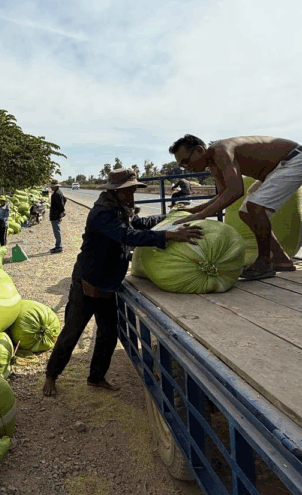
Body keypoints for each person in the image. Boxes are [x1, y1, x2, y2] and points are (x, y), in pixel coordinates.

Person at [42, 169, 203, 397]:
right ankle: (51, 375)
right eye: (127, 191)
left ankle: (96, 377)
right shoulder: (102, 213)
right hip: (88, 282)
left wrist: (169, 218)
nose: (131, 195)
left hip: (109, 283)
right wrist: (169, 235)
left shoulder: (121, 208)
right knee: (72, 332)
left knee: (108, 334)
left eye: (133, 191)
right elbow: (128, 235)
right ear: (115, 191)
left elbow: (140, 223)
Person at [169, 135, 302, 281]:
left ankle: (264, 263)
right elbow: (223, 194)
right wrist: (194, 210)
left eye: (186, 162)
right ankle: (281, 259)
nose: (187, 168)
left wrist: (200, 215)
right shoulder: (213, 165)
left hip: (295, 160)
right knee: (245, 213)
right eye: (182, 166)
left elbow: (236, 190)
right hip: (277, 170)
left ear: (199, 150)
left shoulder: (221, 151)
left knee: (255, 207)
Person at [49, 180, 66, 253]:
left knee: (57, 231)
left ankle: (59, 247)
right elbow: (65, 200)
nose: (51, 188)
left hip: (55, 215)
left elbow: (61, 206)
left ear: (56, 187)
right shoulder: (59, 192)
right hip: (56, 215)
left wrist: (60, 212)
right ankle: (57, 245)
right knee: (56, 231)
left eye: (52, 187)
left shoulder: (56, 194)